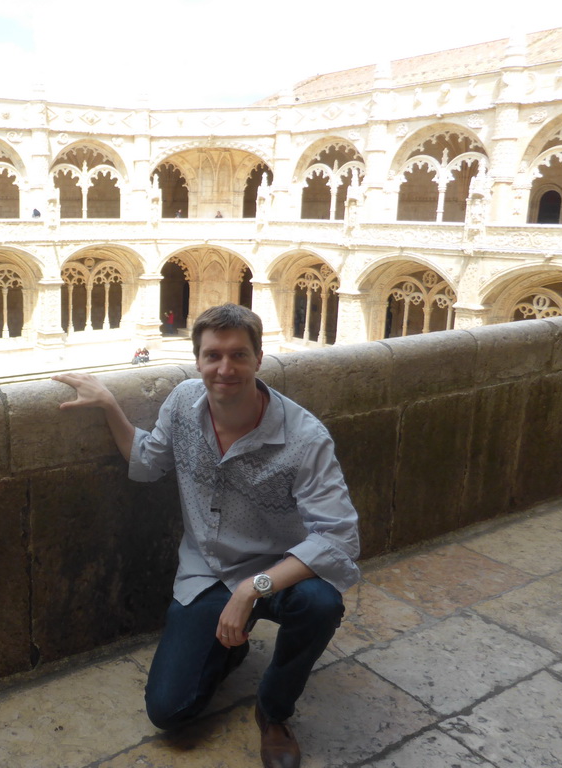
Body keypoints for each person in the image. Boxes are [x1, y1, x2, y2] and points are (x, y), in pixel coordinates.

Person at [53, 304, 360, 768]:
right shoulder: (182, 403)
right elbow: (148, 461)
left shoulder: (304, 437)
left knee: (322, 604)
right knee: (169, 711)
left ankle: (274, 711)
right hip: (207, 572)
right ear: (197, 361)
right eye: (213, 355)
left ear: (259, 358)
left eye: (238, 355)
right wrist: (110, 404)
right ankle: (228, 647)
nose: (225, 368)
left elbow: (338, 537)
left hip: (278, 573)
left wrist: (252, 588)